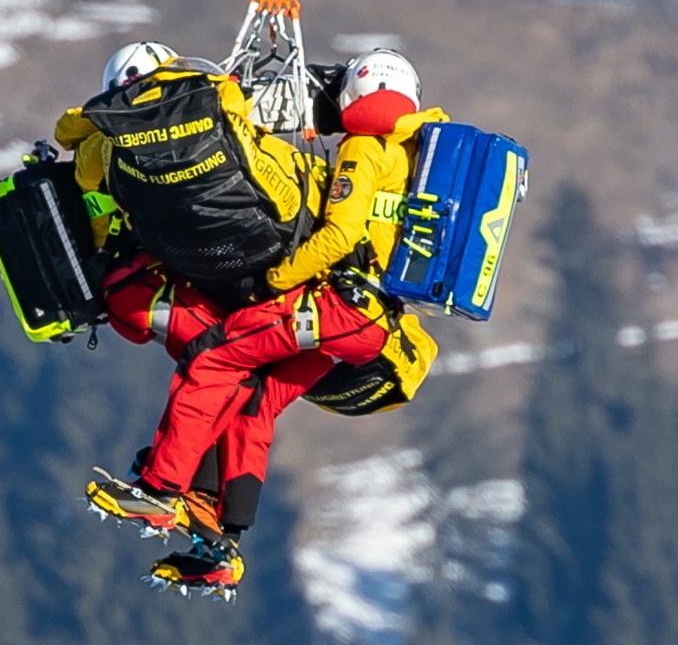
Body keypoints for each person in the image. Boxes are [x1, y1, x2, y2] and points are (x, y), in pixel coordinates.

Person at [86, 49, 440, 592]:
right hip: (373, 325)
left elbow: (341, 234)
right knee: (256, 397)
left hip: (336, 308)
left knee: (213, 356)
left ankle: (160, 489)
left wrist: (277, 281)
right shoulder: (415, 152)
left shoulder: (365, 149)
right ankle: (225, 538)